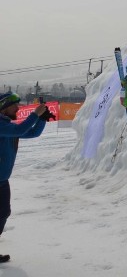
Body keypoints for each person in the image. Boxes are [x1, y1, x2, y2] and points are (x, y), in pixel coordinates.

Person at [0, 92, 54, 263]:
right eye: (15, 105)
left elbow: (31, 133)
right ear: (4, 106)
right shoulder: (2, 126)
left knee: (3, 213)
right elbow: (21, 129)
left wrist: (42, 119)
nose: (18, 107)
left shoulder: (6, 126)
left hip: (2, 180)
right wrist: (35, 114)